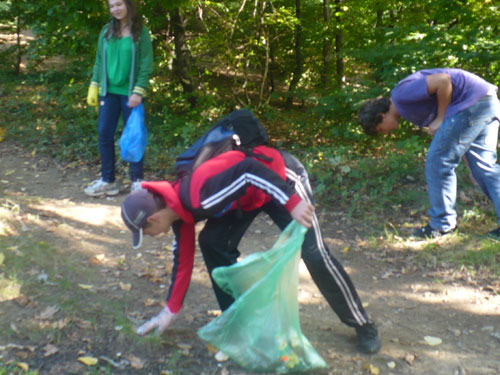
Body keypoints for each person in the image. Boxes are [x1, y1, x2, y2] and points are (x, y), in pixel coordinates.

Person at [121, 144, 382, 354]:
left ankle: (363, 324)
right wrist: (171, 310)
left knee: (314, 253)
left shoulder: (196, 196)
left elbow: (248, 170)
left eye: (146, 233)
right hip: (249, 195)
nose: (152, 237)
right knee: (212, 242)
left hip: (279, 176)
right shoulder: (179, 209)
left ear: (153, 219)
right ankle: (240, 324)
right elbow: (183, 262)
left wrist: (291, 202)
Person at [358, 68, 500, 240]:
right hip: (486, 101)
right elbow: (459, 139)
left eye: (381, 129)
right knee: (484, 169)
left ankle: (442, 224)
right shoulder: (407, 109)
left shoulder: (401, 96)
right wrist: (470, 167)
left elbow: (443, 80)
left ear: (381, 115)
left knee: (437, 162)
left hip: (472, 103)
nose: (386, 133)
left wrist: (441, 118)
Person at [84, 0, 153, 197]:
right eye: (112, 6)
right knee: (105, 134)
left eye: (119, 4)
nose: (115, 9)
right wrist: (94, 84)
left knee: (134, 136)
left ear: (128, 5)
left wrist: (139, 91)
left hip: (131, 94)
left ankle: (137, 181)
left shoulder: (141, 32)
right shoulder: (106, 31)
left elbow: (146, 64)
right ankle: (108, 181)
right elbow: (99, 60)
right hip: (109, 92)